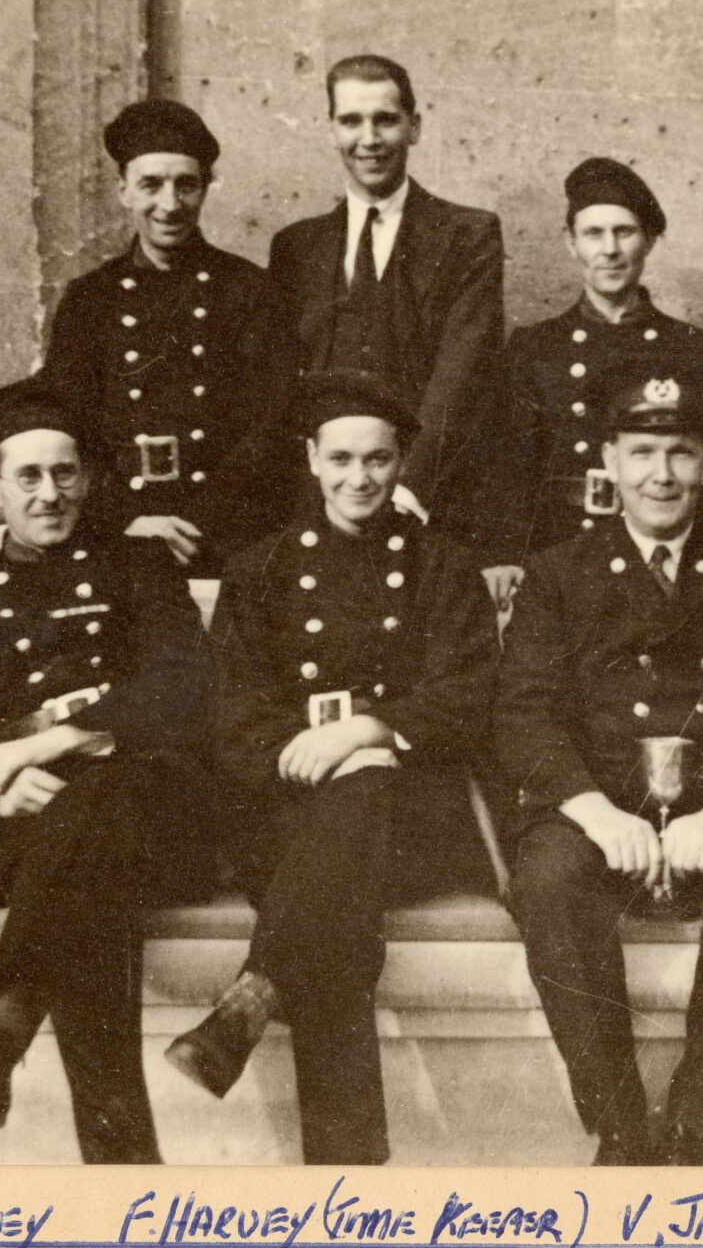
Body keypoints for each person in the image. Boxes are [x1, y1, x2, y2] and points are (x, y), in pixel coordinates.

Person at [166, 371, 502, 1164]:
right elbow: (235, 708)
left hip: (413, 818)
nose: (360, 478)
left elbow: (470, 696)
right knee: (333, 901)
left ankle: (254, 997)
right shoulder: (261, 570)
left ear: (401, 463)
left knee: (356, 811)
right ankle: (346, 1167)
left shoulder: (442, 566)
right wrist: (303, 753)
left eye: (379, 460)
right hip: (287, 804)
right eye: (342, 458)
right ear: (312, 459)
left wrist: (370, 730)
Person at [490, 372, 703, 1165]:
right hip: (599, 810)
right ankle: (621, 1122)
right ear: (609, 461)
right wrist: (597, 813)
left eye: (680, 452)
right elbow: (523, 711)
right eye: (642, 452)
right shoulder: (559, 573)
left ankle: (693, 1118)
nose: (661, 474)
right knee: (547, 880)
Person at [0, 376, 223, 1162]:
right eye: (29, 477)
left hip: (161, 820)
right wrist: (2, 788)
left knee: (101, 805)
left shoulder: (140, 570)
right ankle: (123, 1167)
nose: (50, 494)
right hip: (37, 836)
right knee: (87, 867)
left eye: (65, 473)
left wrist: (45, 744)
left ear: (87, 477)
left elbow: (184, 684)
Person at [40, 99, 294, 572]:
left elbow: (271, 423)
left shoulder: (251, 291)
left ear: (205, 189)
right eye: (151, 185)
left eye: (186, 185)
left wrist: (197, 522)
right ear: (123, 191)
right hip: (119, 532)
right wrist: (129, 518)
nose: (170, 204)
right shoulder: (88, 299)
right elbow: (67, 424)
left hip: (225, 535)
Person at [482, 156, 703, 595]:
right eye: (593, 233)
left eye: (624, 232)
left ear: (649, 240)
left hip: (663, 552)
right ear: (570, 243)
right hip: (560, 549)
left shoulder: (694, 348)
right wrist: (505, 554)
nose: (609, 250)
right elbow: (509, 469)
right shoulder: (534, 347)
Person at [265, 53, 505, 529]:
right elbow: (281, 390)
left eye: (386, 121)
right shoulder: (295, 247)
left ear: (413, 127)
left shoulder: (468, 235)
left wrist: (410, 487)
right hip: (320, 505)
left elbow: (463, 371)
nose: (369, 140)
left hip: (423, 503)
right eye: (351, 121)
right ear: (331, 128)